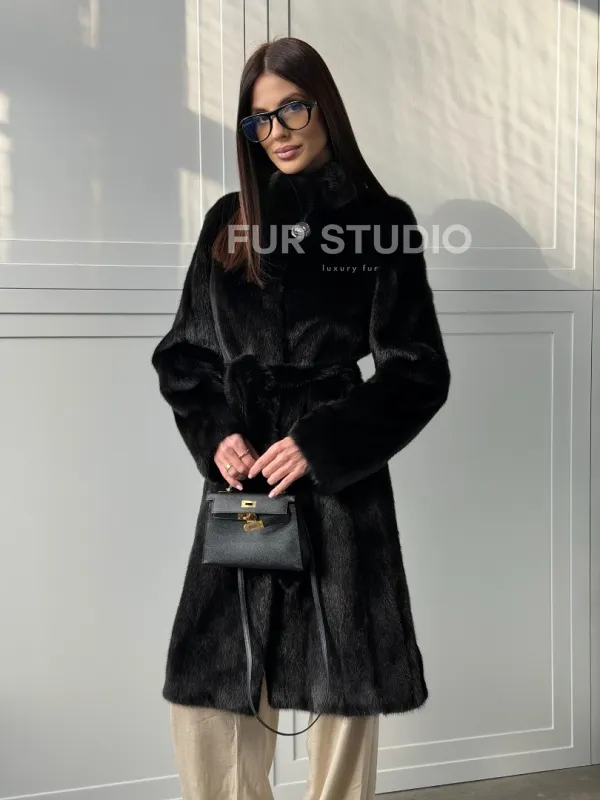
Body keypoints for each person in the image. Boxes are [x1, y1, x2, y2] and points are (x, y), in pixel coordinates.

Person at [151, 35, 451, 800]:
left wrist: (321, 443)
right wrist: (217, 432)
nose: (277, 131)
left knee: (343, 688)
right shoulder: (228, 222)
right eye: (260, 119)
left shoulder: (380, 222)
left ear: (324, 109)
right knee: (215, 689)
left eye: (292, 109)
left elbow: (418, 369)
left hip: (336, 480)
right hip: (246, 476)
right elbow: (185, 357)